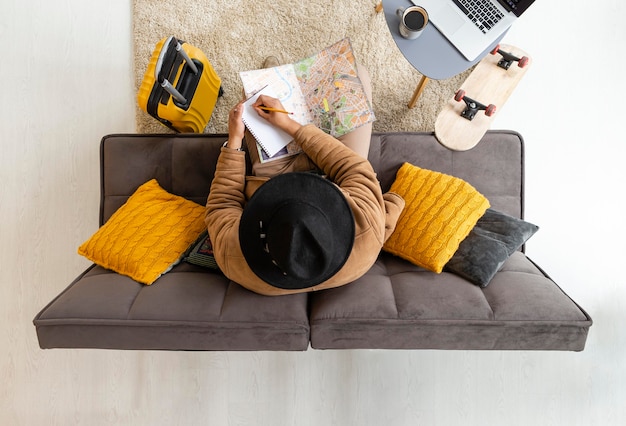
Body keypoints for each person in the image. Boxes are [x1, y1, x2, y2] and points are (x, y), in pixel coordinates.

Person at [205, 63, 405, 296]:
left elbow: (222, 203)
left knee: (256, 92)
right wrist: (289, 124)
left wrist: (235, 139)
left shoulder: (239, 259)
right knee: (355, 72)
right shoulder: (365, 232)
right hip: (336, 179)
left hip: (273, 177)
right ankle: (277, 72)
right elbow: (352, 167)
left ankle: (273, 67)